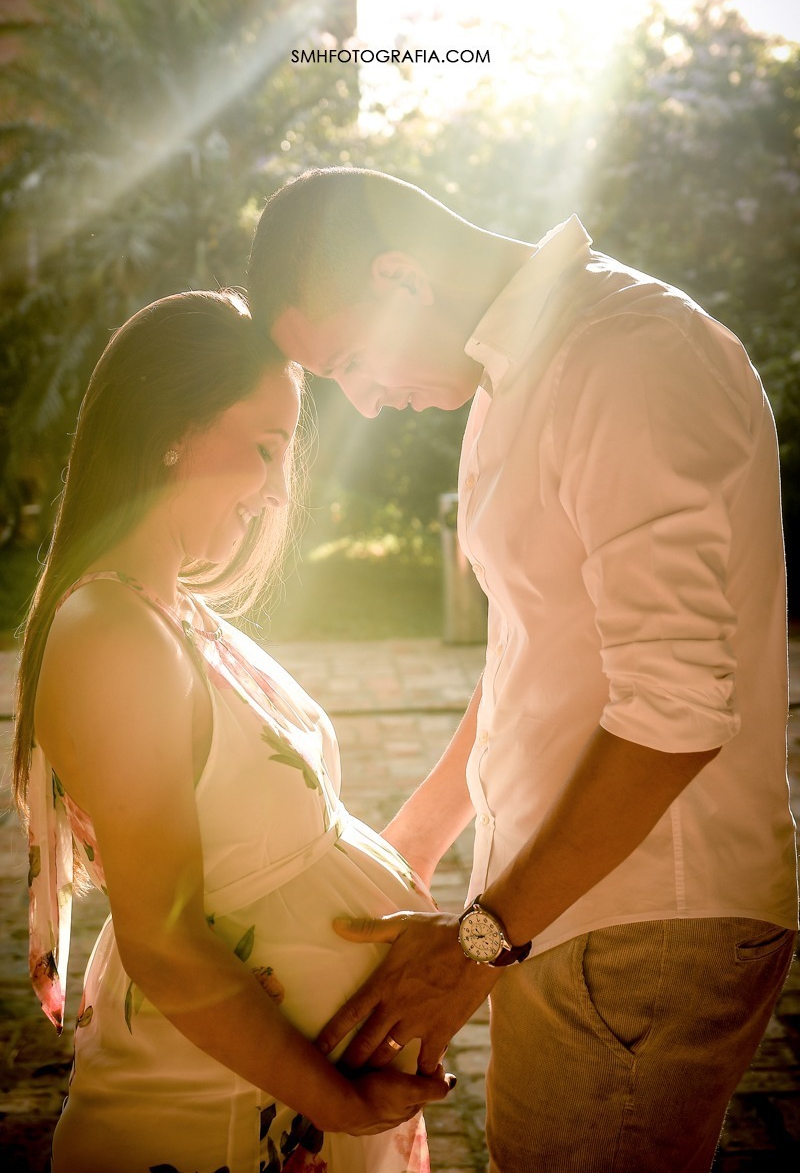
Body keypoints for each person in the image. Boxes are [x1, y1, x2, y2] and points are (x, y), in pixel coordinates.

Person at [247, 167, 799, 1172]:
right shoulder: (517, 370)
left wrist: (477, 945)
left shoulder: (626, 357)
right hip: (562, 905)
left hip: (642, 922)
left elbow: (676, 709)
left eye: (352, 362)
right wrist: (413, 845)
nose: (363, 403)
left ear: (402, 280)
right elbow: (532, 648)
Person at [12, 289, 454, 1173]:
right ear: (173, 430)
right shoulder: (111, 633)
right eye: (264, 448)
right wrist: (339, 1102)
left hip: (268, 1100)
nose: (277, 490)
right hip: (214, 1115)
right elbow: (166, 939)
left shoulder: (169, 609)